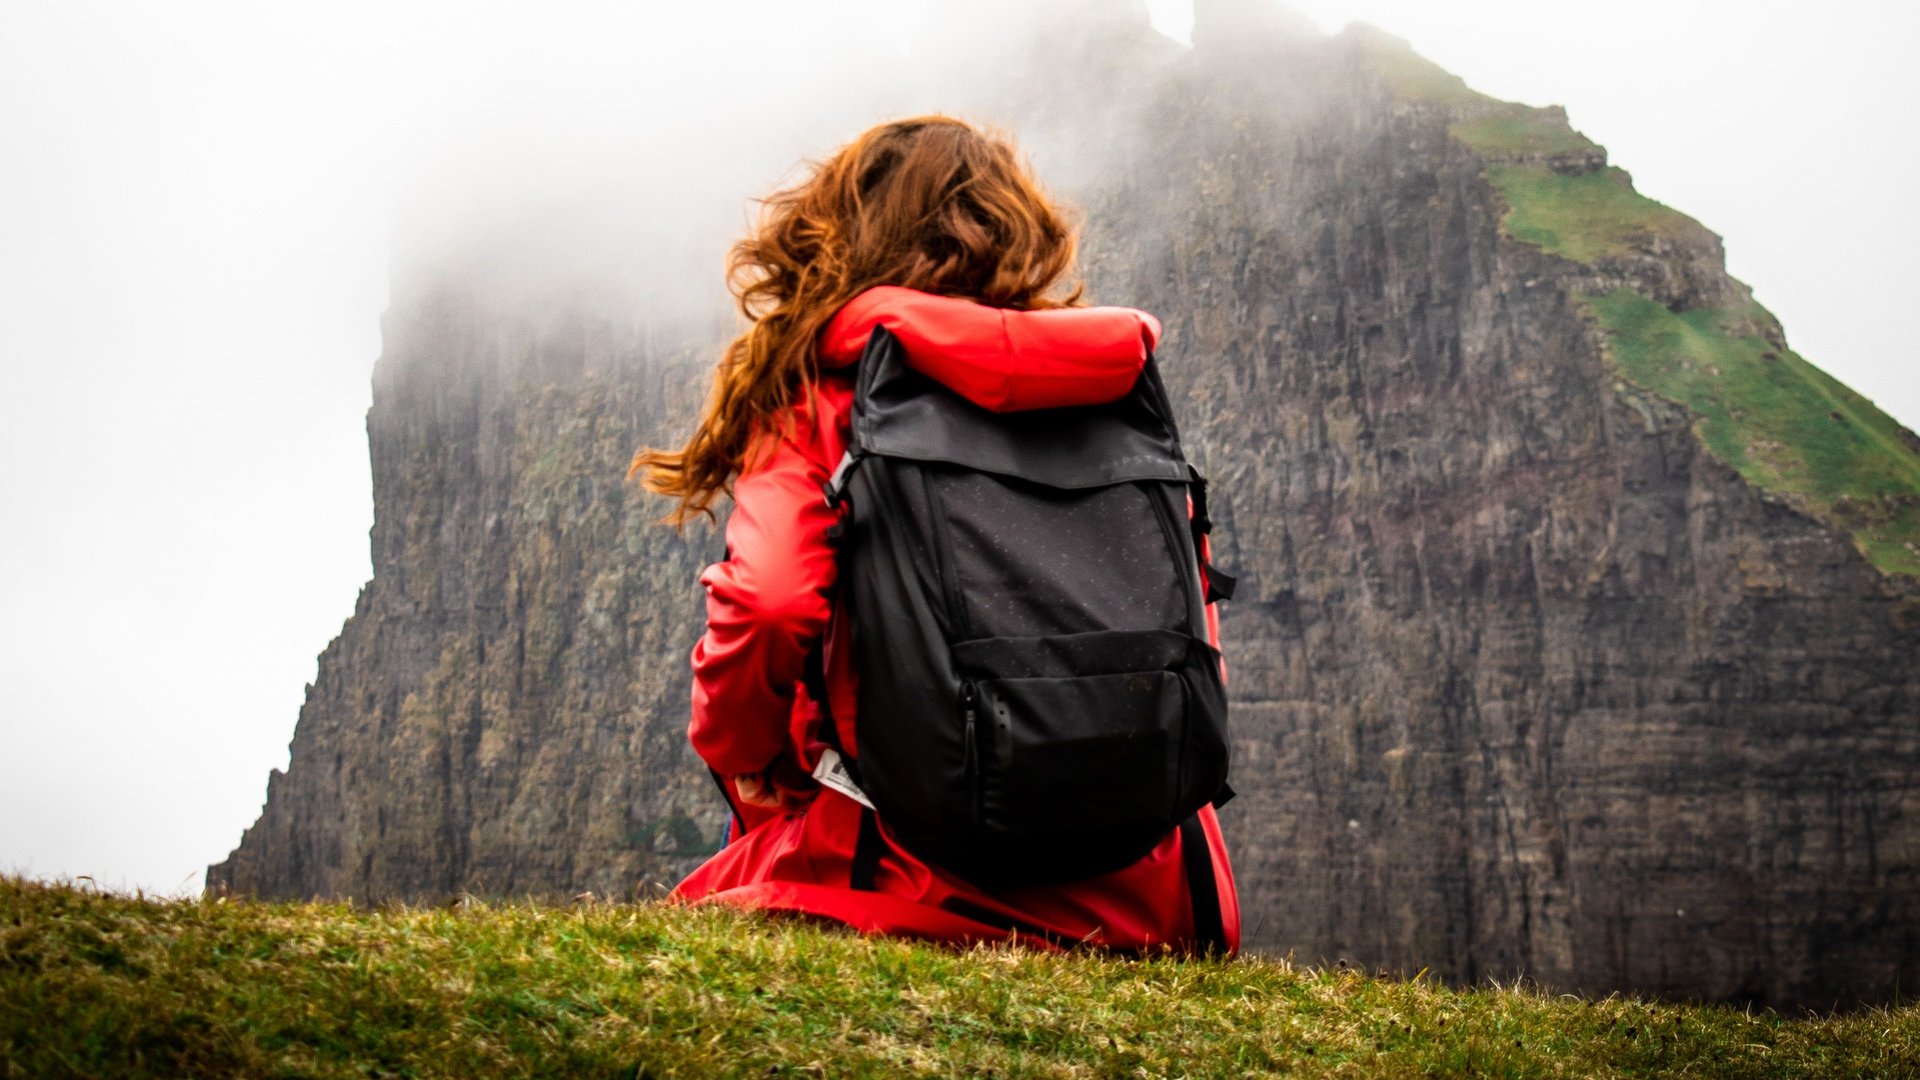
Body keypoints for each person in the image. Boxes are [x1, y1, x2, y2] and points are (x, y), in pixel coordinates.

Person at [630, 115, 1238, 953]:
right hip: (1148, 891)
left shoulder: (830, 399)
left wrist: (743, 754)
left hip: (910, 874)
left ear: (841, 237)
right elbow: (1192, 624)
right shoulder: (1113, 394)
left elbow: (769, 604)